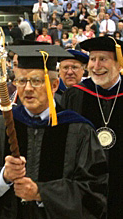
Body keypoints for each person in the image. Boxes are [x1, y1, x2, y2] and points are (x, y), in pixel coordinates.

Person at [0, 45, 108, 219]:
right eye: (21, 81)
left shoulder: (79, 130)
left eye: (36, 81)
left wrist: (42, 193)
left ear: (54, 85)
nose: (27, 88)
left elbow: (96, 191)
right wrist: (3, 177)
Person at [61, 36, 123, 219]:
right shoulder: (75, 95)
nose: (96, 66)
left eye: (103, 59)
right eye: (92, 59)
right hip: (85, 184)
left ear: (119, 63)